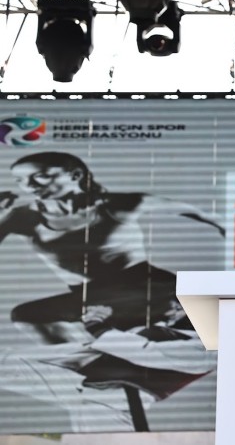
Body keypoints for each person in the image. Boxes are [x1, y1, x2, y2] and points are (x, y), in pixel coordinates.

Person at [0, 151, 222, 431]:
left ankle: (105, 376)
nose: (30, 185)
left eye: (40, 176)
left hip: (144, 285)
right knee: (28, 315)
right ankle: (94, 372)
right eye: (21, 180)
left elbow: (203, 214)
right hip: (89, 295)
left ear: (75, 175)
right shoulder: (22, 217)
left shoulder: (118, 204)